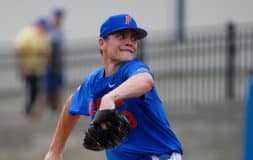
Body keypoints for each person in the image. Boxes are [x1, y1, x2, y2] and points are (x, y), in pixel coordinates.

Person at [44, 14, 183, 160]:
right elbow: (70, 106)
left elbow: (145, 80)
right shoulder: (93, 82)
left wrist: (110, 97)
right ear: (102, 43)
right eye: (121, 36)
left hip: (158, 156)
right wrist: (55, 150)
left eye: (133, 38)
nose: (129, 42)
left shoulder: (133, 69)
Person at [15, 17, 51, 118]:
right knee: (32, 90)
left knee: (36, 89)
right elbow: (19, 51)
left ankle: (31, 110)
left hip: (38, 69)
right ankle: (28, 111)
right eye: (43, 27)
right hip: (28, 68)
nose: (44, 30)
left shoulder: (43, 37)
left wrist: (45, 57)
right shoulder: (27, 34)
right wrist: (22, 68)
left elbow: (46, 52)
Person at [40, 8, 66, 113]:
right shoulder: (49, 30)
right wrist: (48, 61)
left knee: (58, 87)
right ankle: (38, 111)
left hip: (57, 62)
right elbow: (46, 47)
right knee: (48, 88)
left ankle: (60, 109)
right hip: (51, 63)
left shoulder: (59, 30)